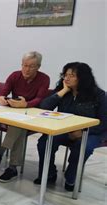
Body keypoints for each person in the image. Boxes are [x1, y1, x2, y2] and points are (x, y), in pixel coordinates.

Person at [35, 62, 106, 191]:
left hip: (91, 132)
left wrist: (83, 131)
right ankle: (49, 174)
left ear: (82, 78)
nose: (66, 78)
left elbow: (104, 123)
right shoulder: (64, 90)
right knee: (44, 142)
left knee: (83, 147)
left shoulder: (99, 95)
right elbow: (44, 107)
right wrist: (62, 91)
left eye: (71, 75)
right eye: (65, 75)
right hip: (65, 129)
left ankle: (71, 177)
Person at [0, 51, 50, 183]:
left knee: (19, 126)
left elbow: (40, 99)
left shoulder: (44, 78)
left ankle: (0, 151)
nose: (27, 69)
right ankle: (12, 168)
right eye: (25, 65)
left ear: (38, 66)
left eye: (31, 66)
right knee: (19, 127)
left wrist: (26, 104)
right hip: (14, 113)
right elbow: (3, 92)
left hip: (33, 115)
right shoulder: (15, 75)